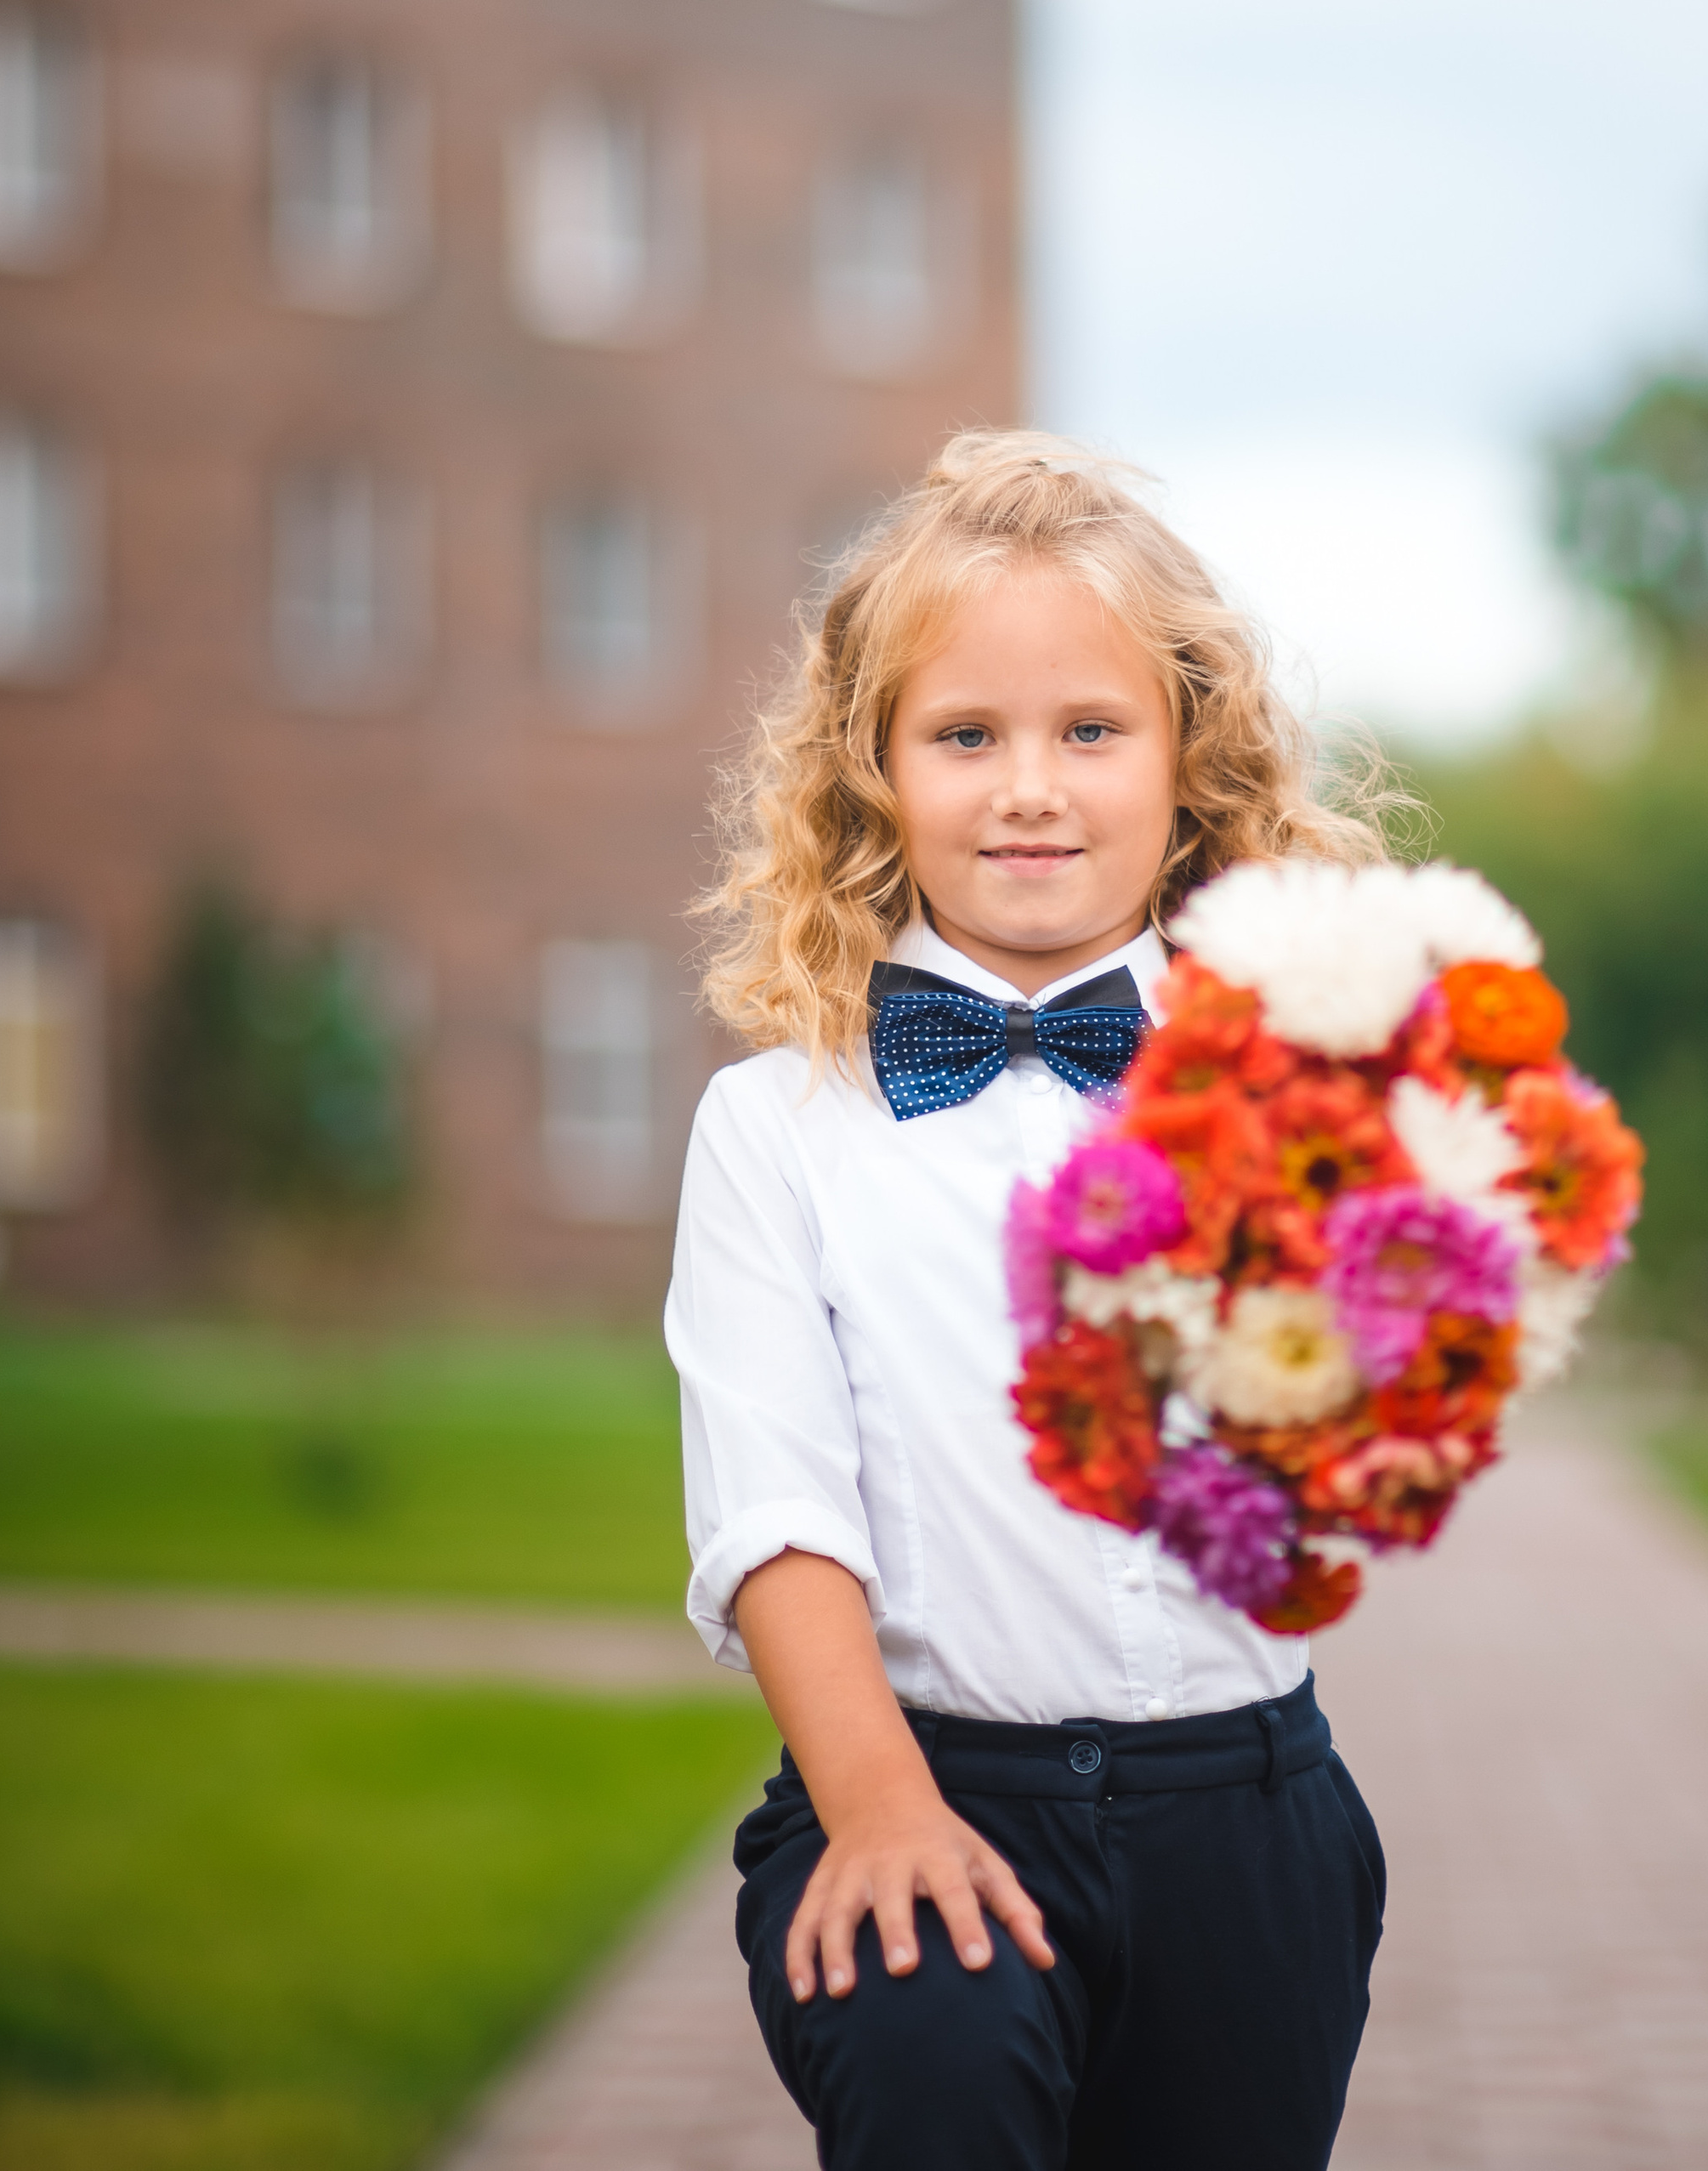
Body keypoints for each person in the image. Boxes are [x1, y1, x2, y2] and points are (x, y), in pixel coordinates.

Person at [667, 431, 1394, 2171]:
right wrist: (878, 1809)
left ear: (1185, 761)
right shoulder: (777, 1127)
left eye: (1089, 730)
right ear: (875, 772)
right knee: (945, 2098)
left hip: (1247, 1814)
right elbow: (775, 1516)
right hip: (916, 1786)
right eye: (964, 735)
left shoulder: (1283, 1093)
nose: (1029, 788)